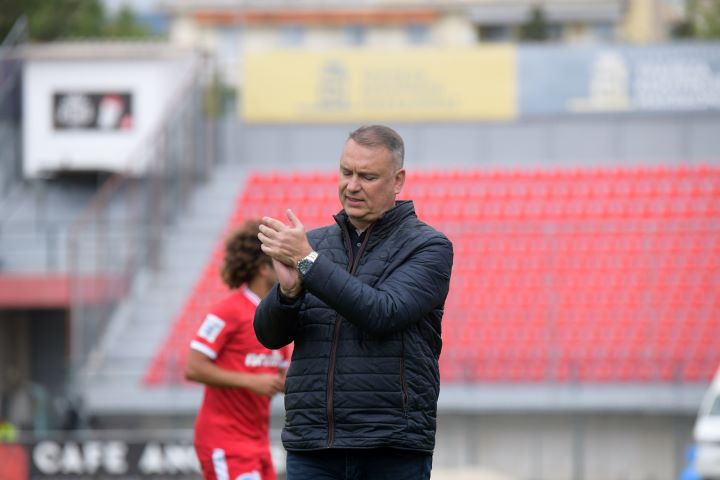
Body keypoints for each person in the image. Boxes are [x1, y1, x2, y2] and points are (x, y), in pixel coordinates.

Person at [254, 125, 453, 479]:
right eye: (346, 172)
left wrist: (309, 264)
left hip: (390, 448)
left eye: (368, 176)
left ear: (398, 180)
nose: (352, 185)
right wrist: (288, 294)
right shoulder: (314, 247)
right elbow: (268, 336)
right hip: (313, 446)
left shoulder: (429, 247)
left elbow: (382, 313)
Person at [186, 221, 290, 480]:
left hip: (259, 442)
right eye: (281, 262)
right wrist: (251, 381)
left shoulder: (278, 317)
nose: (288, 268)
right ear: (263, 268)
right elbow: (193, 367)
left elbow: (282, 376)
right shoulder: (228, 311)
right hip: (224, 440)